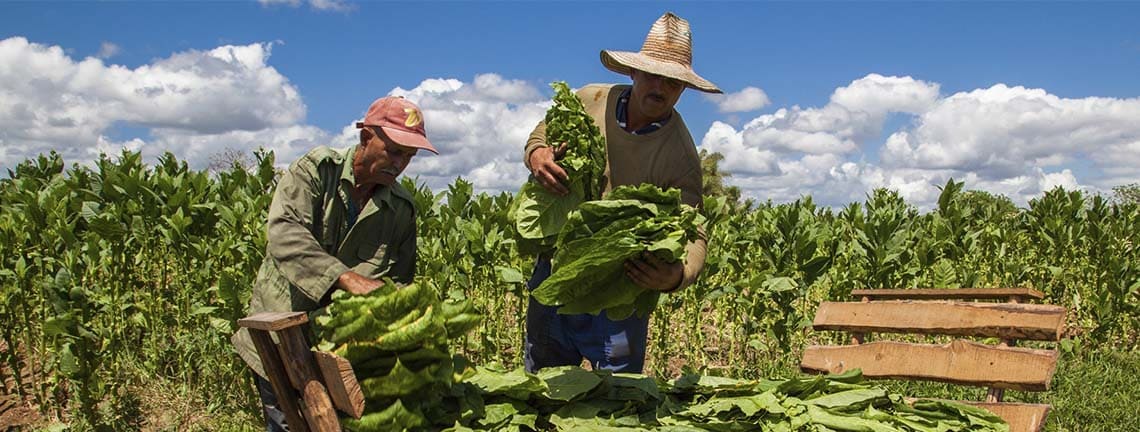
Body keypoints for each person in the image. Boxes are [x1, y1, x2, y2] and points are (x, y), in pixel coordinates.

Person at [522, 12, 720, 373]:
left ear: (684, 89)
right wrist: (537, 155)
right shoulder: (589, 100)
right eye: (653, 76)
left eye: (673, 83)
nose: (660, 88)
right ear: (634, 72)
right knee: (543, 387)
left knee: (616, 400)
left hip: (620, 284)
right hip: (558, 266)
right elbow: (540, 134)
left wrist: (677, 275)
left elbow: (693, 225)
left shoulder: (680, 154)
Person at [231, 96, 436, 431]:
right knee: (287, 422)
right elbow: (286, 233)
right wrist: (345, 278)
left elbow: (400, 280)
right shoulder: (315, 171)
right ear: (366, 138)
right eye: (395, 151)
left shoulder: (401, 209)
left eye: (409, 157)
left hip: (345, 350)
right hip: (284, 331)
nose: (400, 164)